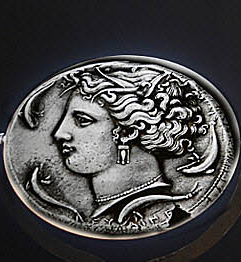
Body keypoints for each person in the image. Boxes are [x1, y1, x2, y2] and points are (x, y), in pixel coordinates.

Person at [20, 62, 218, 230]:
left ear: (127, 132)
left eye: (82, 120)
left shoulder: (170, 217)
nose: (58, 134)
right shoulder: (106, 215)